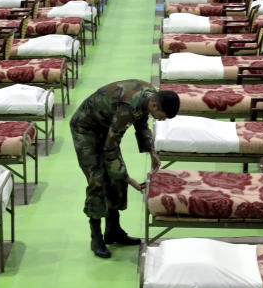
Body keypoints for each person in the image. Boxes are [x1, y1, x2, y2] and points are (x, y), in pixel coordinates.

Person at [69, 80, 180, 258]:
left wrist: (151, 151)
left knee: (115, 179)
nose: (161, 119)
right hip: (86, 129)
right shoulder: (127, 108)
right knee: (97, 180)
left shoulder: (150, 95)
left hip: (106, 125)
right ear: (154, 104)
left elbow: (142, 123)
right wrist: (128, 178)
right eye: (162, 115)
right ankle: (96, 237)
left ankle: (113, 231)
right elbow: (110, 148)